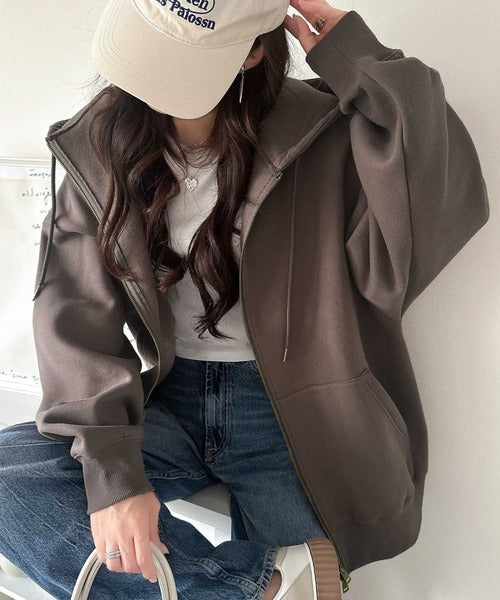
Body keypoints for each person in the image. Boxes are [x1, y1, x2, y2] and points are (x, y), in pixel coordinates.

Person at [0, 0, 489, 599]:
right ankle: (258, 589)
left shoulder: (322, 134)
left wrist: (358, 59)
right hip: (171, 399)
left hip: (296, 413)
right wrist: (113, 477)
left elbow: (431, 210)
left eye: (180, 57)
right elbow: (74, 316)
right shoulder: (102, 147)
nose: (151, 78)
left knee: (308, 558)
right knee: (8, 479)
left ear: (253, 51)